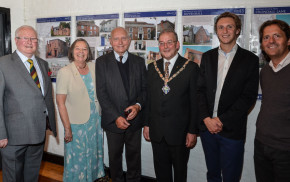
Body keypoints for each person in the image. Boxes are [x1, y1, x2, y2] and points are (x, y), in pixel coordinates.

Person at [197, 12, 259, 182]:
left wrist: (221, 120)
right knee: (213, 174)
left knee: (231, 176)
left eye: (229, 26)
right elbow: (200, 91)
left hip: (231, 131)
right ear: (216, 31)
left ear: (237, 30)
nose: (225, 31)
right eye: (220, 27)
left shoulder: (250, 60)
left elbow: (248, 97)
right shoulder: (208, 57)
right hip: (207, 129)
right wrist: (206, 119)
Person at [0, 25, 57, 182]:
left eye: (33, 39)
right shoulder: (3, 64)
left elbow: (45, 97)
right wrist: (1, 134)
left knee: (32, 176)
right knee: (13, 178)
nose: (30, 42)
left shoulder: (43, 64)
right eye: (25, 38)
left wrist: (50, 124)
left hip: (38, 133)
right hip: (13, 137)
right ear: (16, 40)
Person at [143, 29, 199, 182]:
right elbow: (148, 99)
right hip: (157, 132)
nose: (165, 46)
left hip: (180, 133)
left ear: (177, 45)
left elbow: (195, 102)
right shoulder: (152, 68)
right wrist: (147, 124)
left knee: (180, 174)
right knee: (161, 174)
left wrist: (192, 131)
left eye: (169, 42)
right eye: (161, 43)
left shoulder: (191, 68)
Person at [95, 27, 146, 182]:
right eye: (116, 39)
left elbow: (144, 90)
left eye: (124, 38)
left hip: (134, 120)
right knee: (114, 159)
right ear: (110, 41)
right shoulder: (101, 62)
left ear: (129, 41)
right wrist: (116, 116)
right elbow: (102, 93)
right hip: (113, 121)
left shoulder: (139, 61)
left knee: (134, 158)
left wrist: (137, 106)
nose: (120, 42)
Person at [56, 38, 105, 182]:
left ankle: (92, 178)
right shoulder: (65, 72)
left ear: (88, 52)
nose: (81, 52)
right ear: (72, 51)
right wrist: (67, 128)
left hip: (95, 121)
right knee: (77, 158)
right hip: (76, 125)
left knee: (93, 155)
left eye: (84, 49)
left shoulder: (94, 67)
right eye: (77, 48)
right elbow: (60, 103)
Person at [254, 19, 290, 182]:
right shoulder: (266, 72)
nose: (271, 41)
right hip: (262, 144)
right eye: (266, 37)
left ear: (288, 40)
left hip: (286, 150)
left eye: (277, 36)